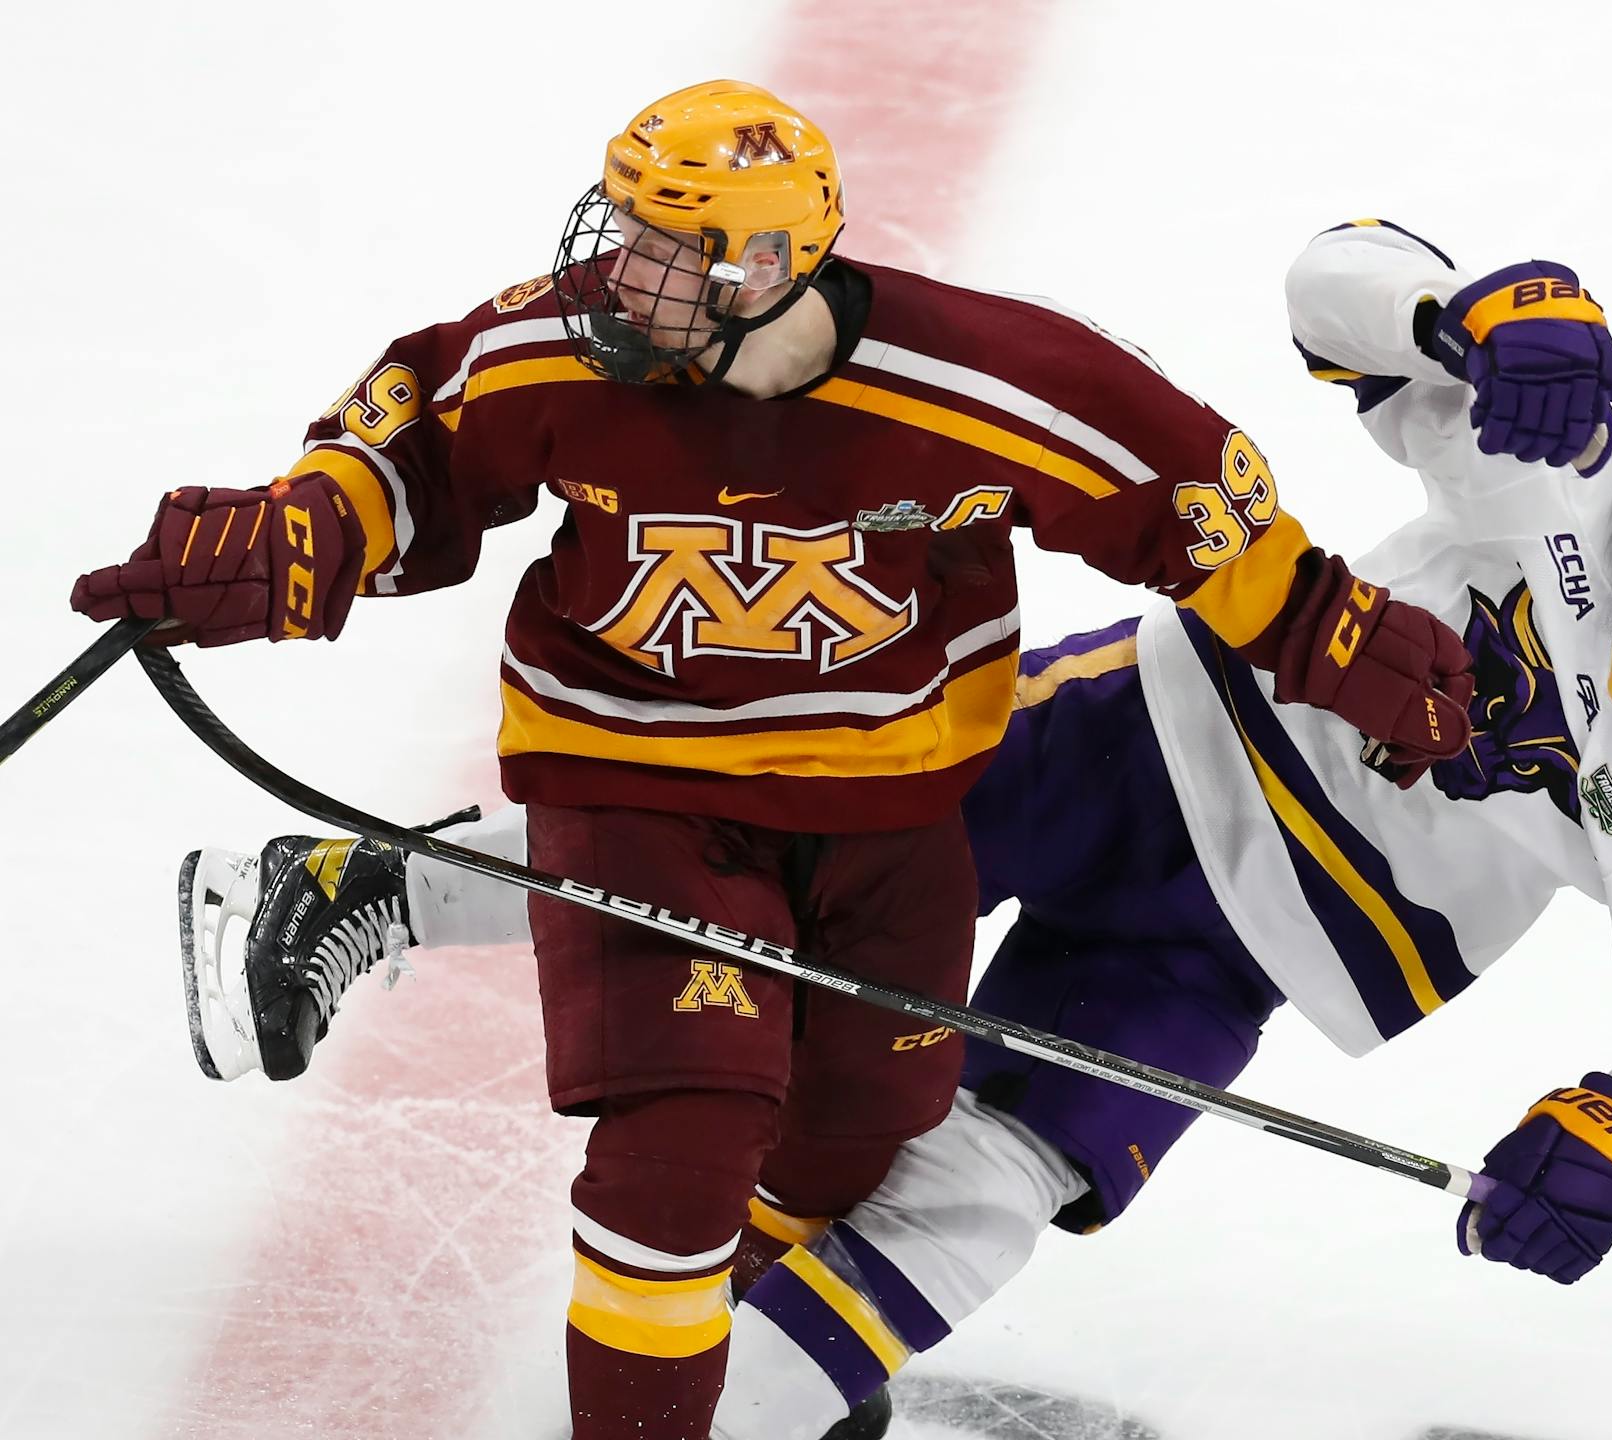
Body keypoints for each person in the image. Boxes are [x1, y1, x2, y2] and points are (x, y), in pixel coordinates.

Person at [69, 78, 1519, 1440]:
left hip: (890, 822)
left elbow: (1192, 506)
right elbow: (413, 441)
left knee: (855, 1135)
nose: (615, 273)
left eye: (661, 249)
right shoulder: (562, 350)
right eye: (621, 232)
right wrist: (298, 530)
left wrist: (1338, 637)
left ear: (765, 267)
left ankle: (718, 1343)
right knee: (683, 1138)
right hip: (635, 785)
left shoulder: (990, 381)